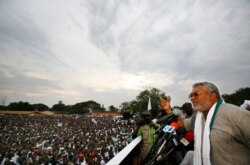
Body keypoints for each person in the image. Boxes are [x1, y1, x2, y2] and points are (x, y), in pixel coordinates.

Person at [178, 82, 250, 165]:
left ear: (212, 96)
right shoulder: (196, 117)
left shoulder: (237, 115)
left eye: (196, 94)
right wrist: (169, 110)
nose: (192, 98)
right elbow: (183, 124)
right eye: (191, 95)